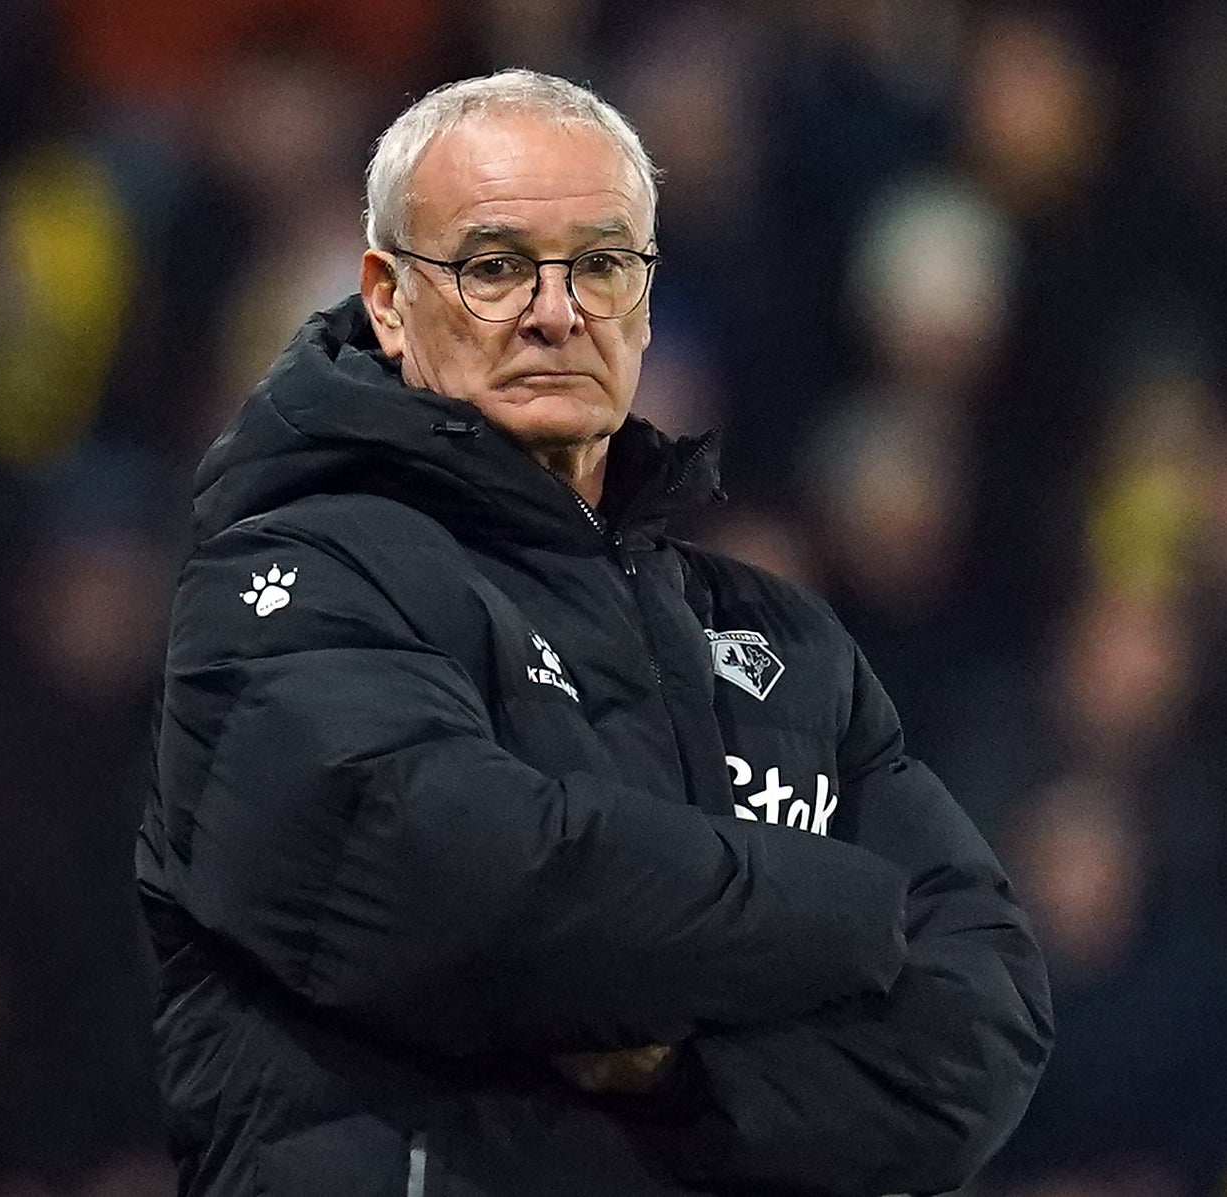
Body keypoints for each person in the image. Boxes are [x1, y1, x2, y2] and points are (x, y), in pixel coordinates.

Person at [137, 69, 1053, 1197]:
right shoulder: (288, 586)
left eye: (603, 265)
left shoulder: (777, 642)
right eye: (494, 267)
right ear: (384, 297)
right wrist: (847, 911)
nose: (557, 310)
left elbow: (983, 1030)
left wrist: (681, 1077)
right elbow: (477, 890)